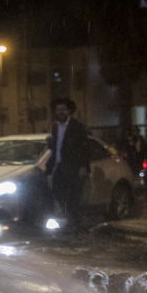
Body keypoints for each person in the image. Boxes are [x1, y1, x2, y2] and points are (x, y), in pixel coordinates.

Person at [44, 98, 91, 231]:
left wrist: (83, 167)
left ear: (69, 111)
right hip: (58, 167)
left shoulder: (77, 127)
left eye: (63, 110)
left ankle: (76, 224)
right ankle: (69, 220)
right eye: (58, 110)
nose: (60, 112)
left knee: (73, 196)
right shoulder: (54, 127)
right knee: (58, 192)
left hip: (73, 167)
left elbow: (85, 148)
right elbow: (54, 148)